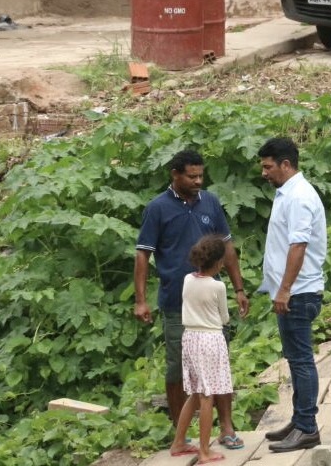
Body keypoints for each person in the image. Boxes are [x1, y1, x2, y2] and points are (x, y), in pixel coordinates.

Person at [134, 149, 250, 450]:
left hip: (210, 304)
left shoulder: (210, 201)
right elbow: (143, 254)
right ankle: (180, 434)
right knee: (176, 370)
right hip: (176, 304)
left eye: (201, 175)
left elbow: (227, 247)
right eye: (191, 176)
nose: (198, 181)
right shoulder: (157, 208)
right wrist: (141, 300)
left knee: (219, 367)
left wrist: (238, 288)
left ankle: (226, 427)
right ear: (175, 174)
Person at [257, 137, 328, 453]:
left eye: (268, 167)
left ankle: (308, 427)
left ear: (286, 164)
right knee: (295, 358)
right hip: (291, 292)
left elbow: (298, 246)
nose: (264, 173)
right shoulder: (287, 193)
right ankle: (300, 421)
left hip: (298, 292)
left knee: (301, 360)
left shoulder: (299, 196)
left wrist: (285, 289)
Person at [167, 234, 236, 463]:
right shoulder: (218, 286)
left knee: (196, 393)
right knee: (208, 396)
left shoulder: (188, 279)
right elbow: (224, 317)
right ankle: (205, 451)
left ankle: (179, 442)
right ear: (218, 263)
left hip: (190, 338)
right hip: (209, 340)